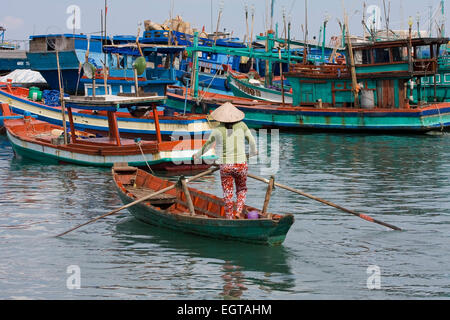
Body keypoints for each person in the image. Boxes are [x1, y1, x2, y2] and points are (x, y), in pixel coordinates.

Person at [193, 102, 257, 220]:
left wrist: (197, 155)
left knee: (228, 193)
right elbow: (252, 141)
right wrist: (253, 152)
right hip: (241, 165)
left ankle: (229, 218)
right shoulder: (242, 125)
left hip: (226, 166)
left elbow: (207, 145)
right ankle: (238, 211)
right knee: (242, 189)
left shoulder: (217, 130)